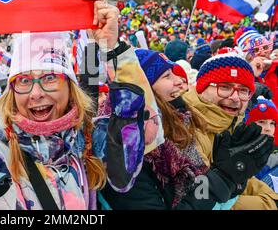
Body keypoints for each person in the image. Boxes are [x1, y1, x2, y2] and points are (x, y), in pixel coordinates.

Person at [0, 0, 148, 209]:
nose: (36, 93)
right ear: (11, 91)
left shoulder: (88, 138)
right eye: (23, 80)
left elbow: (146, 129)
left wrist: (112, 46)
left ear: (70, 88)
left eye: (50, 78)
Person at [99, 49, 271, 209]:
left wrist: (230, 181)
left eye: (244, 91)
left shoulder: (179, 124)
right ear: (143, 90)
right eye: (167, 75)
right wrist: (224, 179)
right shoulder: (122, 152)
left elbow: (204, 191)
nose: (179, 80)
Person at [183, 51, 278, 209]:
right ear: (202, 88)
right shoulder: (184, 128)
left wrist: (272, 198)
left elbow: (242, 178)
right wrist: (267, 204)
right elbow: (204, 197)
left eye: (243, 90)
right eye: (225, 87)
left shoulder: (229, 125)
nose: (235, 97)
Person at [245, 97, 278, 192]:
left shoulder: (272, 148)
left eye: (272, 123)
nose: (268, 128)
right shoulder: (239, 149)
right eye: (261, 122)